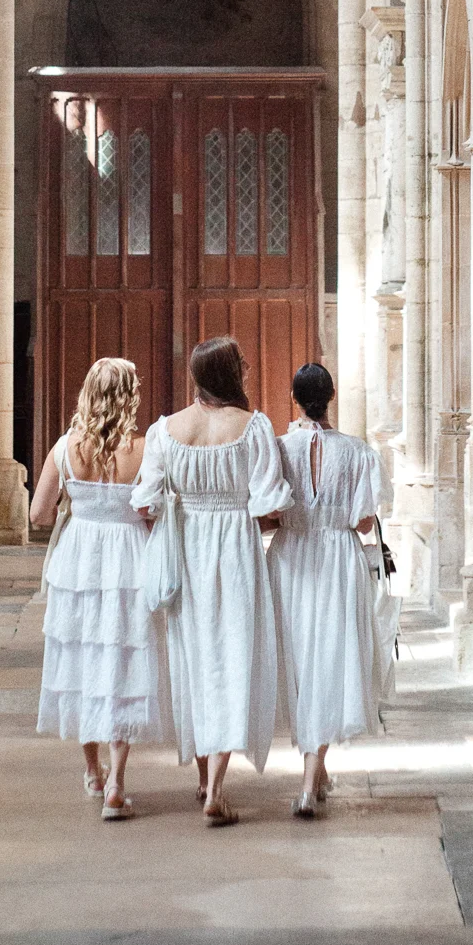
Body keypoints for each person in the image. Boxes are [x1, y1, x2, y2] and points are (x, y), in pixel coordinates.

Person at [132, 334, 292, 825]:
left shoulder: (165, 430)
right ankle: (216, 790)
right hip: (236, 553)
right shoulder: (254, 427)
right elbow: (270, 504)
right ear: (231, 373)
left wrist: (181, 517)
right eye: (241, 366)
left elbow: (144, 501)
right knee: (232, 660)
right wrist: (251, 517)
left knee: (195, 663)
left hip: (186, 552)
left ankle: (205, 777)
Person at [30, 357, 171, 821]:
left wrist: (80, 501)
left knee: (83, 657)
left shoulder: (65, 448)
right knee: (123, 660)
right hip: (130, 556)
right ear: (130, 396)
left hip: (80, 560)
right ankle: (117, 780)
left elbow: (38, 515)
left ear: (88, 393)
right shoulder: (146, 448)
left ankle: (91, 772)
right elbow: (152, 509)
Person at [267, 361, 391, 819]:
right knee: (328, 659)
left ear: (294, 399)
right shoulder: (357, 452)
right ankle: (311, 779)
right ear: (331, 397)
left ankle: (310, 775)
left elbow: (270, 513)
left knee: (300, 659)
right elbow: (362, 521)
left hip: (292, 557)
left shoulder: (280, 449)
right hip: (338, 557)